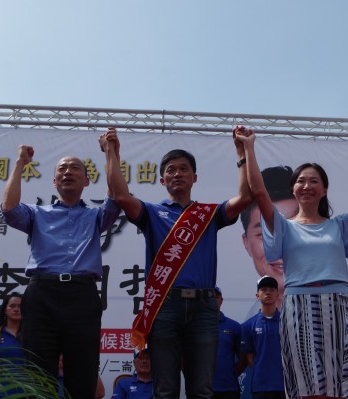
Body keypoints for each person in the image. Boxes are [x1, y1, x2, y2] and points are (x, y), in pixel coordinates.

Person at [101, 127, 252, 399]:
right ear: (162, 180)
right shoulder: (151, 212)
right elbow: (121, 196)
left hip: (204, 308)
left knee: (202, 389)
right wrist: (112, 152)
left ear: (194, 177)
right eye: (171, 170)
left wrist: (243, 153)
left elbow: (245, 198)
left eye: (184, 169)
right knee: (165, 388)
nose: (177, 174)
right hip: (165, 305)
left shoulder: (208, 214)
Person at [237, 130, 348, 399]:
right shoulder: (284, 226)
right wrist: (249, 148)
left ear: (324, 189)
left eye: (314, 181)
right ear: (294, 188)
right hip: (299, 305)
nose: (307, 186)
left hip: (338, 303)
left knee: (346, 381)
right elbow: (259, 191)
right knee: (308, 384)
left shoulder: (339, 224)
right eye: (301, 181)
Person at [1, 145, 120, 399]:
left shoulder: (95, 216)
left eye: (75, 167)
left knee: (83, 375)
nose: (68, 171)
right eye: (62, 169)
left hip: (82, 296)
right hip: (41, 294)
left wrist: (111, 153)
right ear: (54, 181)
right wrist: (21, 162)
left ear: (87, 181)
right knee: (37, 373)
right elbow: (9, 209)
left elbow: (117, 197)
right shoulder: (36, 214)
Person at [240, 165, 297, 314]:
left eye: (294, 231)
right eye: (265, 234)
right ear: (247, 243)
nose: (279, 247)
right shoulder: (248, 325)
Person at [240, 276, 285, 399]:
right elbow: (249, 358)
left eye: (272, 289)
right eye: (264, 289)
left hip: (285, 385)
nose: (268, 292)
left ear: (277, 294)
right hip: (261, 387)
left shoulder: (288, 323)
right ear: (257, 295)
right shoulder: (248, 325)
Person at [214, 286, 247, 399]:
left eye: (216, 296)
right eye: (209, 297)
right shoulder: (194, 326)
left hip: (228, 389)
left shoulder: (234, 327)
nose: (213, 300)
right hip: (201, 390)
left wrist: (231, 375)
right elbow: (185, 358)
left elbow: (243, 358)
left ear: (221, 300)